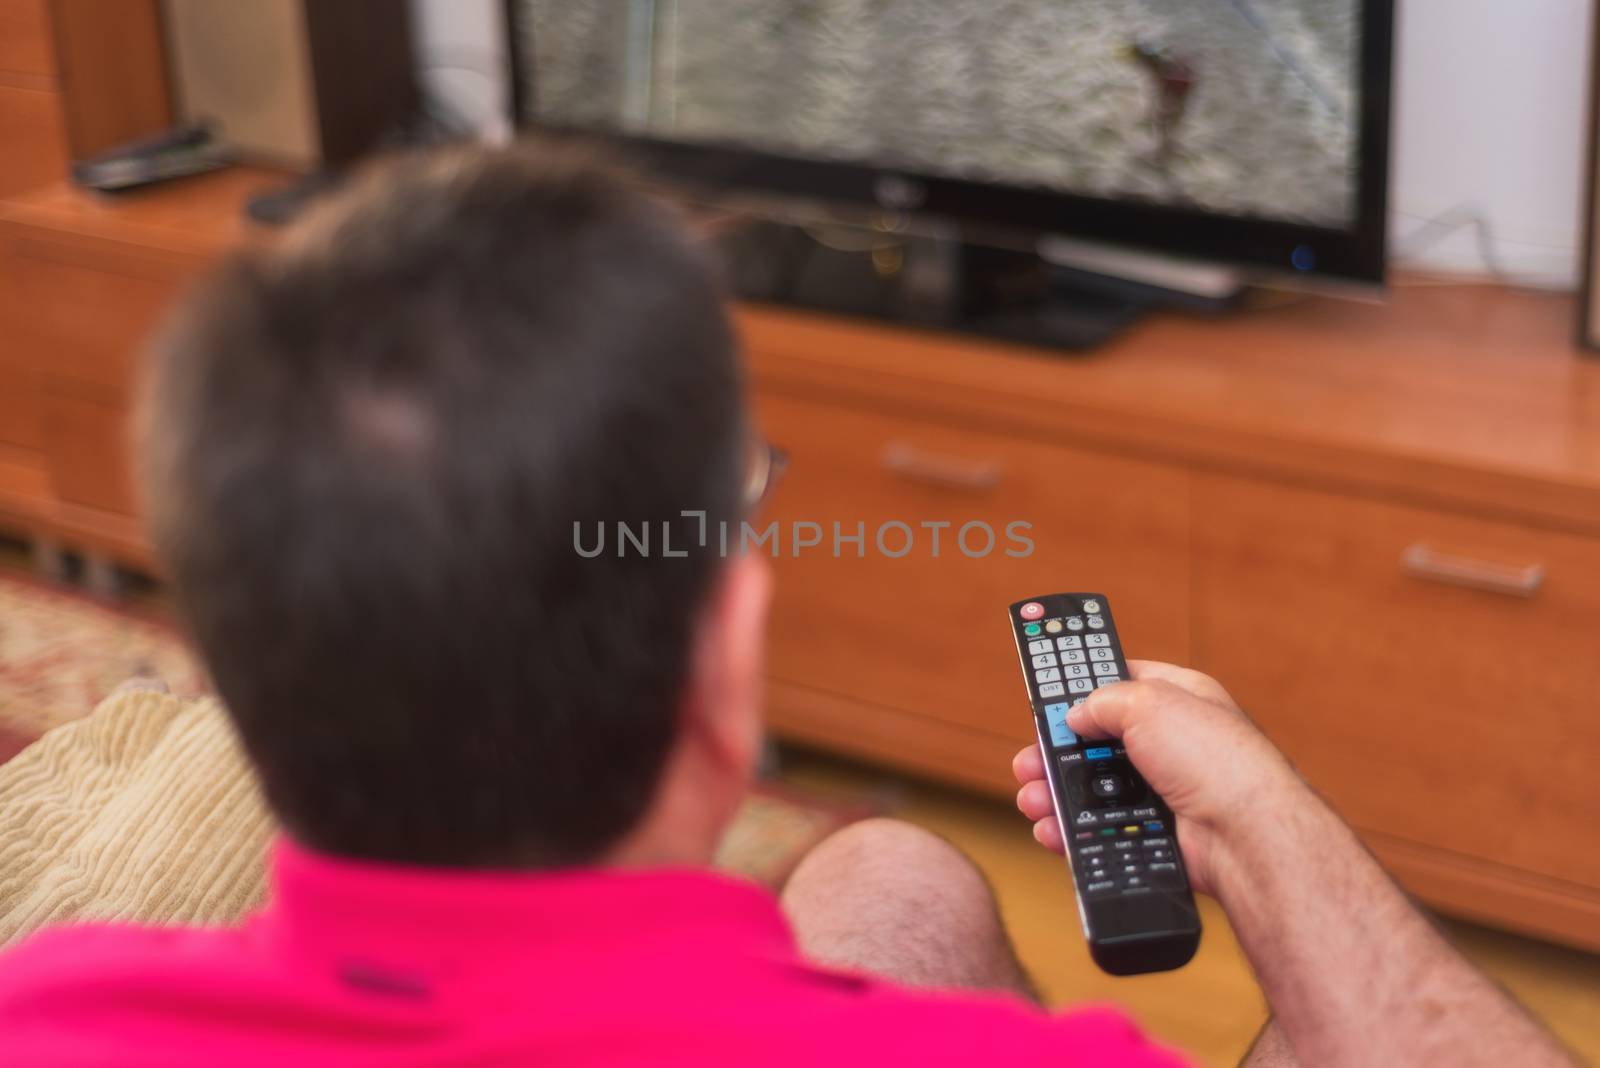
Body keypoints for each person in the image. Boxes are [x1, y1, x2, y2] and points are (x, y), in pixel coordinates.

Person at [0, 143, 1574, 1068]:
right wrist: (1268, 830)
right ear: (726, 667)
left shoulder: (53, 1007)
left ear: (239, 673)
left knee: (890, 867)